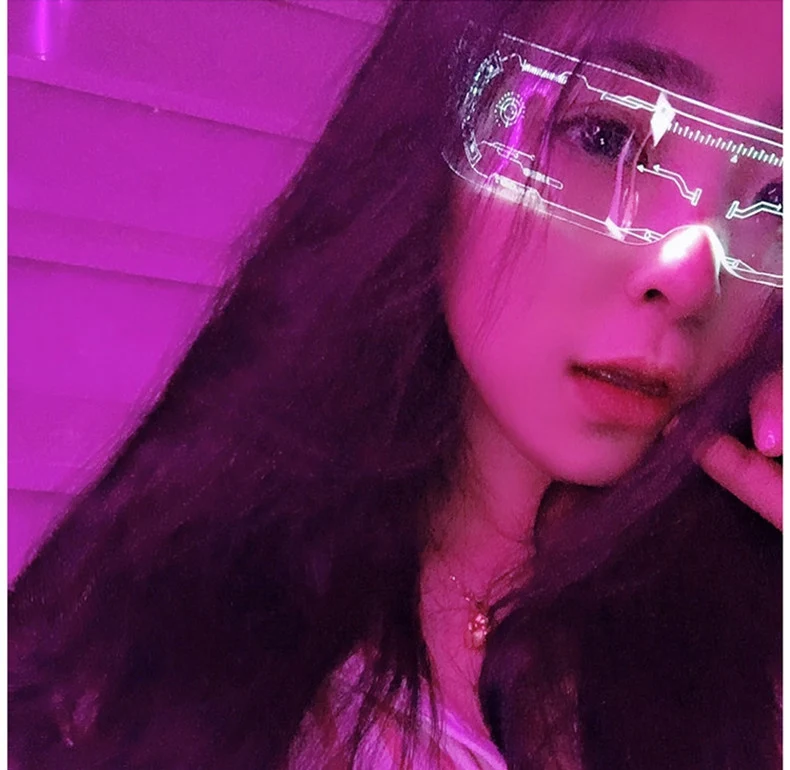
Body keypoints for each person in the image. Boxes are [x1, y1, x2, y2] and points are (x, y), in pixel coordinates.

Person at [8, 0, 782, 768]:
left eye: (773, 196)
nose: (691, 279)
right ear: (442, 121)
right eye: (606, 136)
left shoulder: (746, 661)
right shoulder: (140, 660)